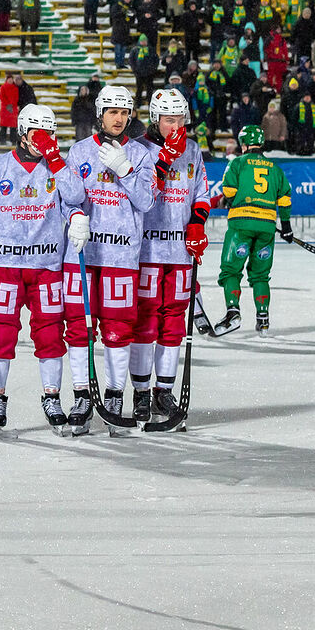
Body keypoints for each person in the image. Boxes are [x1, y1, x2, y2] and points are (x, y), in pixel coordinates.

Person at [0, 104, 90, 430]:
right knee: (0, 332)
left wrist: (57, 164)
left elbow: (74, 197)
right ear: (23, 132)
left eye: (49, 133)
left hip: (46, 266)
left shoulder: (57, 166)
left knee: (50, 333)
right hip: (5, 265)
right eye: (37, 133)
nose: (43, 140)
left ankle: (51, 396)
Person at [60, 85, 160, 432]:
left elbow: (146, 201)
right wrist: (74, 215)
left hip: (121, 256)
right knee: (78, 329)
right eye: (112, 112)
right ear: (100, 114)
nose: (118, 119)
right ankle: (82, 395)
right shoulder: (79, 151)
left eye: (124, 112)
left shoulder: (142, 154)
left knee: (118, 330)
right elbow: (67, 198)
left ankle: (114, 395)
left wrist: (125, 170)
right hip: (82, 255)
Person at [131, 88, 209, 422]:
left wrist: (197, 225)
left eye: (179, 119)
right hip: (147, 250)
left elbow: (201, 193)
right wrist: (163, 159)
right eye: (168, 120)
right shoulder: (138, 149)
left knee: (174, 322)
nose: (175, 126)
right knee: (146, 321)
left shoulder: (193, 149)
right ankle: (140, 392)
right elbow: (138, 196)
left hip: (179, 251)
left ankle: (163, 391)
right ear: (155, 119)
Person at [214, 125, 292, 336]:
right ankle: (263, 319)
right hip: (266, 227)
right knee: (260, 276)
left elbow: (229, 190)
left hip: (241, 225)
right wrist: (286, 226)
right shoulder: (274, 168)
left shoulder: (237, 163)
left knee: (231, 271)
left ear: (244, 144)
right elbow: (285, 199)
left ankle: (233, 312)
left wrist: (231, 201)